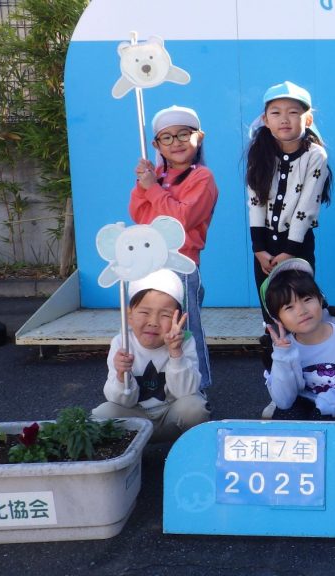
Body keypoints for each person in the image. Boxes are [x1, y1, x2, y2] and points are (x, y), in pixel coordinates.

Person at [130, 105, 218, 392]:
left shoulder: (202, 177)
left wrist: (153, 189)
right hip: (149, 262)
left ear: (199, 137)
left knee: (185, 326)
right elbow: (139, 215)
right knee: (153, 327)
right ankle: (160, 388)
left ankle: (197, 387)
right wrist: (143, 185)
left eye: (183, 134)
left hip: (182, 263)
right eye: (166, 137)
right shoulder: (155, 175)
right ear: (156, 145)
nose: (176, 142)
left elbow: (181, 220)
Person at [247, 80, 332, 326]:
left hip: (297, 244)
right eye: (276, 113)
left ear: (307, 119)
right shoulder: (259, 151)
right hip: (264, 246)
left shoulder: (315, 155)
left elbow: (307, 207)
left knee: (299, 308)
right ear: (265, 120)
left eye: (293, 112)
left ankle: (305, 351)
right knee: (271, 309)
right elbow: (255, 201)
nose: (284, 119)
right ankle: (275, 350)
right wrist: (258, 248)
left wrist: (290, 251)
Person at [93, 269, 210, 443]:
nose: (153, 322)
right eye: (144, 313)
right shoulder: (122, 343)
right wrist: (121, 376)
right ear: (129, 315)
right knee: (103, 413)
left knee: (195, 407)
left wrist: (176, 353)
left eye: (165, 315)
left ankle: (188, 449)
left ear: (178, 319)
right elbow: (121, 401)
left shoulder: (184, 341)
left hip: (171, 416)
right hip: (136, 418)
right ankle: (131, 451)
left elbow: (186, 392)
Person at [260, 258, 335, 420]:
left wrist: (328, 403)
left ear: (320, 299)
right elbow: (284, 402)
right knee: (287, 417)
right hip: (301, 406)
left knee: (323, 419)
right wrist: (283, 356)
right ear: (278, 319)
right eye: (289, 307)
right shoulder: (284, 347)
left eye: (307, 299)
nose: (302, 311)